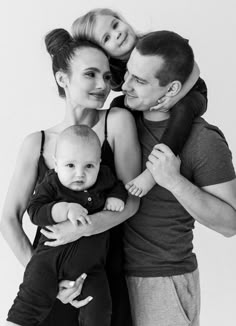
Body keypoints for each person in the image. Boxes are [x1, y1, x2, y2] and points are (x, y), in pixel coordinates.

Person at [0, 28, 140, 326]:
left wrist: (82, 229)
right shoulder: (35, 142)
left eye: (105, 76)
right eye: (90, 74)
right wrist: (50, 282)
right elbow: (8, 218)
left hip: (102, 270)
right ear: (62, 79)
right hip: (51, 274)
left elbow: (131, 201)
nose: (102, 84)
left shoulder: (116, 122)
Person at [118, 31, 236, 326]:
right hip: (105, 275)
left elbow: (230, 223)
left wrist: (173, 180)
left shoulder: (202, 140)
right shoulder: (121, 119)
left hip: (161, 281)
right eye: (128, 73)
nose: (125, 85)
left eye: (140, 81)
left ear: (171, 90)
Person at [72, 8, 208, 197]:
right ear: (102, 52)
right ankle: (111, 168)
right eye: (107, 38)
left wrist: (174, 97)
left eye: (115, 24)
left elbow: (193, 68)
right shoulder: (113, 69)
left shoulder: (152, 42)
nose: (117, 33)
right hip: (148, 100)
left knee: (183, 109)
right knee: (117, 108)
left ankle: (153, 172)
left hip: (189, 92)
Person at [6, 124, 128, 326]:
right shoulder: (52, 183)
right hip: (48, 262)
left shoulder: (105, 178)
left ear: (99, 164)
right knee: (32, 297)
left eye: (89, 166)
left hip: (90, 269)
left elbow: (119, 187)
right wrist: (64, 210)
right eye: (70, 166)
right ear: (56, 164)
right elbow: (35, 211)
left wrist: (116, 197)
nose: (79, 174)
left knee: (100, 307)